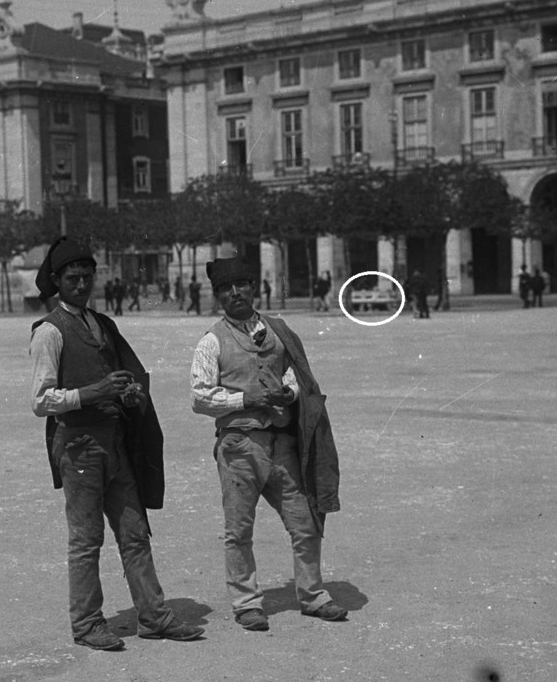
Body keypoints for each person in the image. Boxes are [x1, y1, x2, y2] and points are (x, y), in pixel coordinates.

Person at [29, 236, 204, 650]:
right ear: (57, 280)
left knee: (134, 533)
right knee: (87, 540)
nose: (82, 285)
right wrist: (95, 391)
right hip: (78, 447)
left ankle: (154, 616)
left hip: (114, 443)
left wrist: (128, 394)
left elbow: (122, 374)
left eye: (88, 277)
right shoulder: (49, 333)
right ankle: (87, 624)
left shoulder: (102, 323)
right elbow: (40, 401)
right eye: (73, 278)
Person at [190, 256, 347, 632]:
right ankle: (246, 603)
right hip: (239, 447)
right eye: (226, 289)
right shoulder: (211, 341)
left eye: (241, 284)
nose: (235, 293)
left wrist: (288, 394)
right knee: (239, 531)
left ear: (253, 287)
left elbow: (296, 375)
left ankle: (312, 595)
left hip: (282, 445)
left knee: (306, 522)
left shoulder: (277, 330)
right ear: (218, 296)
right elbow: (199, 396)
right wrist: (245, 401)